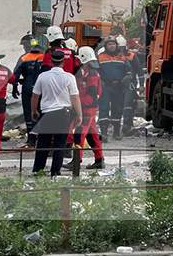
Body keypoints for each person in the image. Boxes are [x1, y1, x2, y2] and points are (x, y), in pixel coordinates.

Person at [31, 49, 82, 177]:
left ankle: (38, 170)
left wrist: (34, 111)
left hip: (46, 113)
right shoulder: (69, 77)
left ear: (51, 61)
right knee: (60, 143)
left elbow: (35, 96)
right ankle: (55, 171)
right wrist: (79, 114)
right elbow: (75, 97)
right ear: (63, 62)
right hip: (63, 114)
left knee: (43, 143)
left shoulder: (43, 76)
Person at [65, 46, 105, 170]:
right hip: (88, 108)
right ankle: (99, 160)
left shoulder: (91, 72)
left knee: (79, 133)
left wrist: (79, 108)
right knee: (92, 135)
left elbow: (92, 93)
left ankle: (77, 160)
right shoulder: (87, 70)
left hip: (86, 108)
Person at [12, 38, 44, 144]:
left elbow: (15, 75)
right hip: (42, 88)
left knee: (29, 114)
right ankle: (42, 139)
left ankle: (31, 139)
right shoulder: (44, 56)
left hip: (28, 87)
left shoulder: (24, 58)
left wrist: (14, 87)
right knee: (41, 112)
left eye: (24, 46)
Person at [97, 36, 129, 140]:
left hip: (119, 87)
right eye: (109, 44)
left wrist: (127, 77)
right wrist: (99, 81)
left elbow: (129, 71)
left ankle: (116, 132)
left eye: (113, 44)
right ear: (106, 46)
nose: (112, 46)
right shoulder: (100, 57)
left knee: (117, 109)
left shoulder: (122, 57)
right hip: (105, 86)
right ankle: (104, 133)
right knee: (104, 109)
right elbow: (96, 71)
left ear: (117, 45)